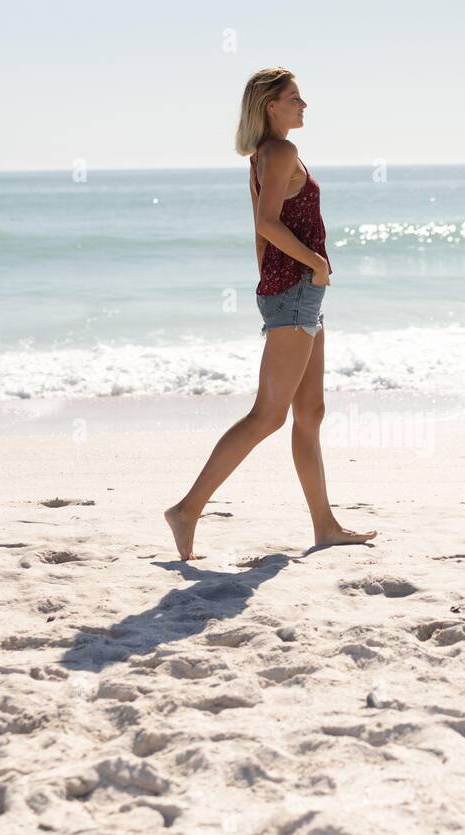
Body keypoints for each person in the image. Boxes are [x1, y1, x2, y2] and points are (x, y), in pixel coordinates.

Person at [165, 67, 378, 561]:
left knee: (311, 413)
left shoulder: (265, 155)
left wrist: (277, 281)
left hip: (297, 292)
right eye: (295, 99)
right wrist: (314, 264)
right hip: (298, 291)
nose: (304, 106)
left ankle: (325, 527)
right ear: (270, 106)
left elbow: (260, 233)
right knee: (268, 416)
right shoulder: (279, 152)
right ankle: (186, 510)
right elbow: (267, 222)